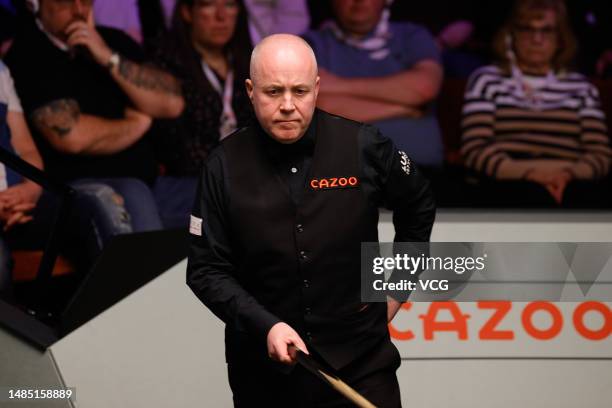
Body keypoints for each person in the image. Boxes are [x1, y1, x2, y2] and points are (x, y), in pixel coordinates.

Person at [186, 34, 435, 407]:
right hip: (264, 373)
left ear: (316, 89)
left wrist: (396, 289)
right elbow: (206, 270)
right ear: (251, 91)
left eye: (299, 91)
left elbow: (418, 206)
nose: (288, 105)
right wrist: (264, 324)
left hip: (361, 363)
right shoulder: (222, 166)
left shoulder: (363, 146)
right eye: (273, 92)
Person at [5, 0, 186, 247]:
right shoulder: (28, 54)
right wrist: (139, 123)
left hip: (152, 182)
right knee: (131, 195)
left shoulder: (113, 41)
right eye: (67, 1)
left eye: (86, 0)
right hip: (80, 187)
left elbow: (172, 103)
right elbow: (72, 138)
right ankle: (149, 286)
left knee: (221, 195)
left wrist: (107, 57)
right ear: (35, 4)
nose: (79, 10)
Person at [460, 0, 612, 207]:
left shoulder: (582, 88)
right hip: (506, 182)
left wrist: (566, 175)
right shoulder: (486, 80)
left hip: (572, 183)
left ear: (560, 38)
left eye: (547, 30)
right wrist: (530, 174)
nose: (536, 39)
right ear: (512, 35)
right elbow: (475, 148)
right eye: (527, 29)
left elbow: (600, 154)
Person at [302, 0, 444, 169]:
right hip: (342, 175)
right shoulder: (312, 44)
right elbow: (317, 108)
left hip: (421, 171)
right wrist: (404, 107)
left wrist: (339, 85)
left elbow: (424, 87)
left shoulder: (411, 35)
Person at [151, 0, 253, 178]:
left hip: (248, 176)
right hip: (189, 181)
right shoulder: (167, 64)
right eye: (208, 4)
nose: (221, 17)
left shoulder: (250, 63)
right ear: (187, 12)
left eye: (229, 5)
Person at [0, 61, 43, 295]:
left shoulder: (1, 71)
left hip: (20, 200)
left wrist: (32, 189)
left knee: (102, 201)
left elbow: (26, 148)